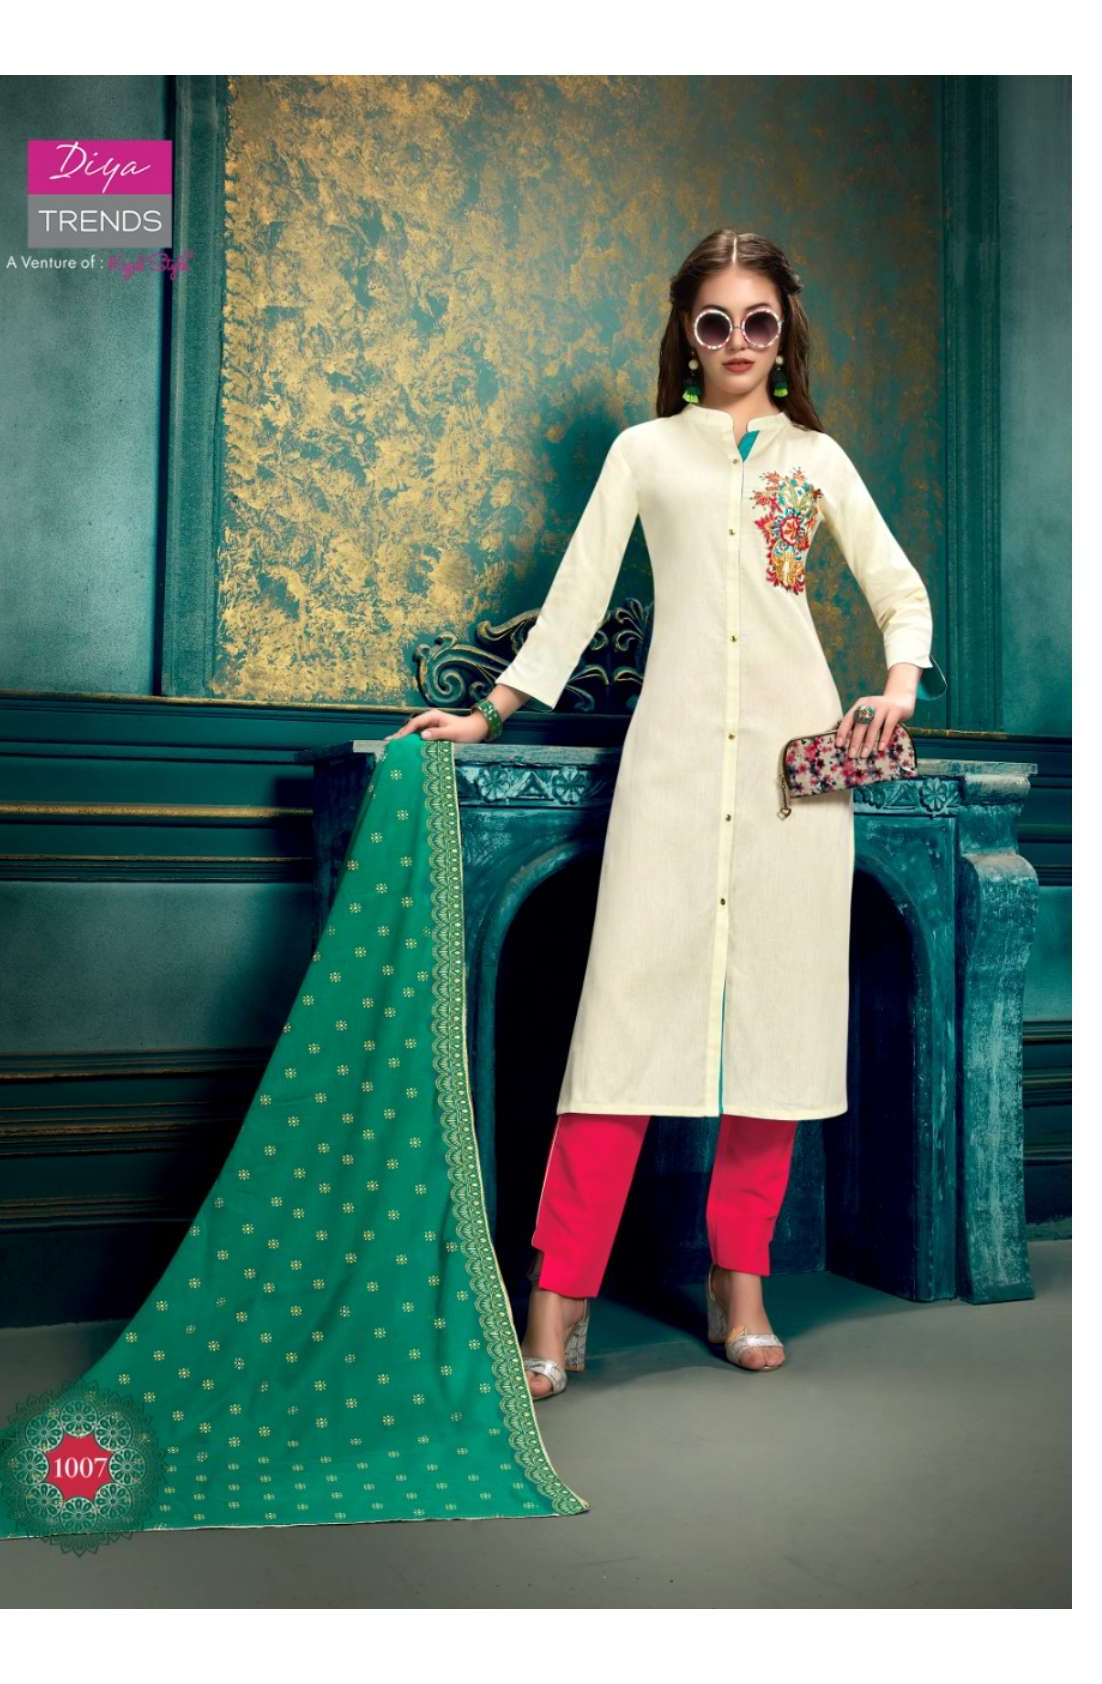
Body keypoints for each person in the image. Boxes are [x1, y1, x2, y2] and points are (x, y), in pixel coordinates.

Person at [387, 228, 946, 1395]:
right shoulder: (643, 453)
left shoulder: (816, 462)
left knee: (777, 1038)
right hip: (671, 774)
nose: (738, 341)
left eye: (758, 321)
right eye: (714, 322)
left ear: (782, 336)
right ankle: (557, 1294)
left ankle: (738, 1280)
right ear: (686, 338)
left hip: (792, 788)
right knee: (621, 1035)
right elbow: (576, 594)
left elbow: (896, 588)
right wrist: (489, 712)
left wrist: (895, 685)